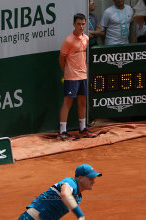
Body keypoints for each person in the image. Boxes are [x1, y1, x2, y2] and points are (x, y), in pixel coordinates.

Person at [58, 13, 97, 141]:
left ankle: (82, 129)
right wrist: (67, 72)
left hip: (83, 76)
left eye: (83, 24)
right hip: (71, 77)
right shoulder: (68, 40)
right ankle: (63, 131)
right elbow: (61, 59)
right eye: (79, 24)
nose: (81, 26)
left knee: (82, 103)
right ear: (74, 24)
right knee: (67, 103)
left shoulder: (86, 38)